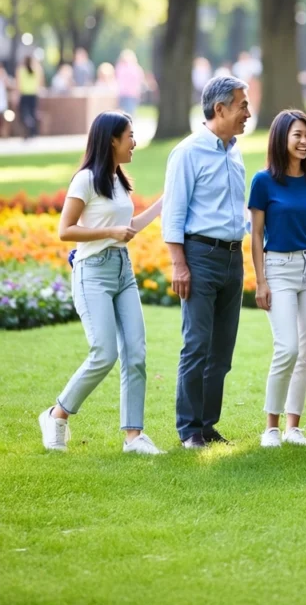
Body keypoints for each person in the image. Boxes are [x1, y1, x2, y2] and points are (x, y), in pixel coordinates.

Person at [38, 111, 164, 454]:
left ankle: (134, 437)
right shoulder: (85, 181)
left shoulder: (118, 180)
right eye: (130, 136)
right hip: (92, 272)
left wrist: (165, 202)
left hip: (124, 271)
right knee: (104, 353)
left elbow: (130, 228)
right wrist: (110, 232)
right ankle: (56, 414)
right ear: (111, 140)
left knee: (135, 353)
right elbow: (66, 230)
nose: (134, 143)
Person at [162, 76, 251, 449]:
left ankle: (207, 423)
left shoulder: (234, 151)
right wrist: (179, 265)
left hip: (233, 258)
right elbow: (173, 213)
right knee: (197, 345)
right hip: (200, 257)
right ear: (220, 109)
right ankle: (188, 429)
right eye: (242, 105)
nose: (248, 113)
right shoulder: (187, 152)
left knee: (222, 350)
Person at [249, 110, 306, 448]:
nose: (304, 141)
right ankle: (270, 427)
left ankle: (293, 427)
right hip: (278, 269)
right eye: (297, 135)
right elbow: (255, 235)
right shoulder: (263, 181)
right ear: (281, 137)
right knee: (286, 347)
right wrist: (260, 281)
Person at [16, 54, 44, 139]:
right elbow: (41, 82)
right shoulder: (36, 70)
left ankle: (27, 131)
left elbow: (18, 84)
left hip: (24, 94)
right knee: (33, 113)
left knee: (24, 114)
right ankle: (33, 132)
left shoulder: (20, 70)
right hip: (33, 94)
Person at [115, 50, 145, 117]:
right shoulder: (136, 68)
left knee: (125, 112)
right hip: (128, 94)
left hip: (126, 94)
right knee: (128, 113)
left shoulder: (120, 67)